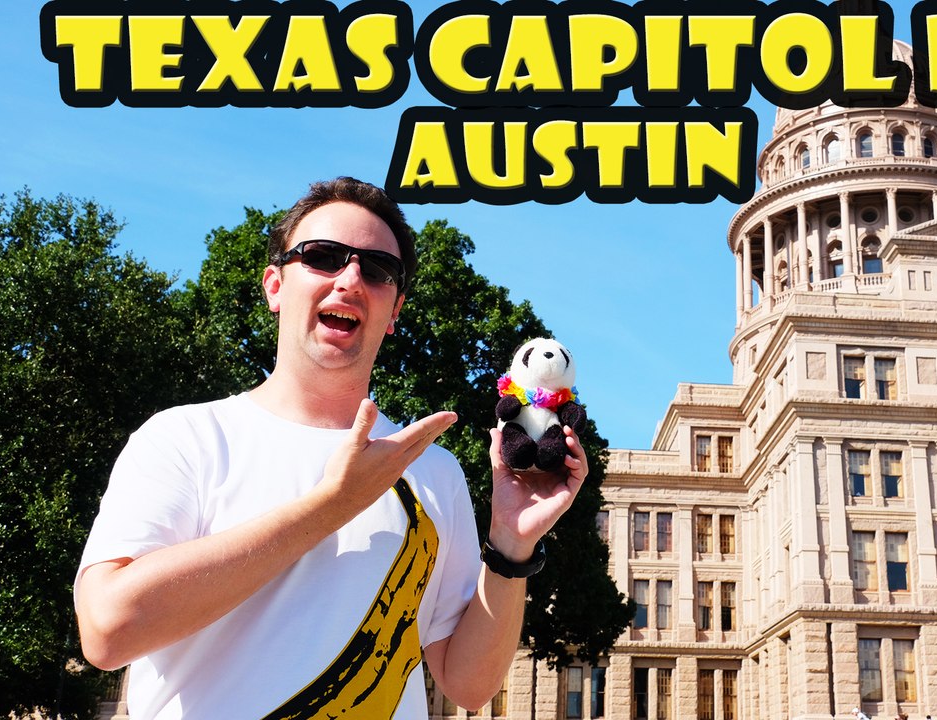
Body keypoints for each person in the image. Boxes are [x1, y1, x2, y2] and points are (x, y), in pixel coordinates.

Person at [73, 178, 589, 719]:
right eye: (322, 257)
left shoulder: (432, 469)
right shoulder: (186, 438)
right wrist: (333, 504)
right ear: (275, 285)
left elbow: (469, 684)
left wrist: (511, 547)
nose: (350, 278)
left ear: (394, 311)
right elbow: (107, 632)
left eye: (376, 269)